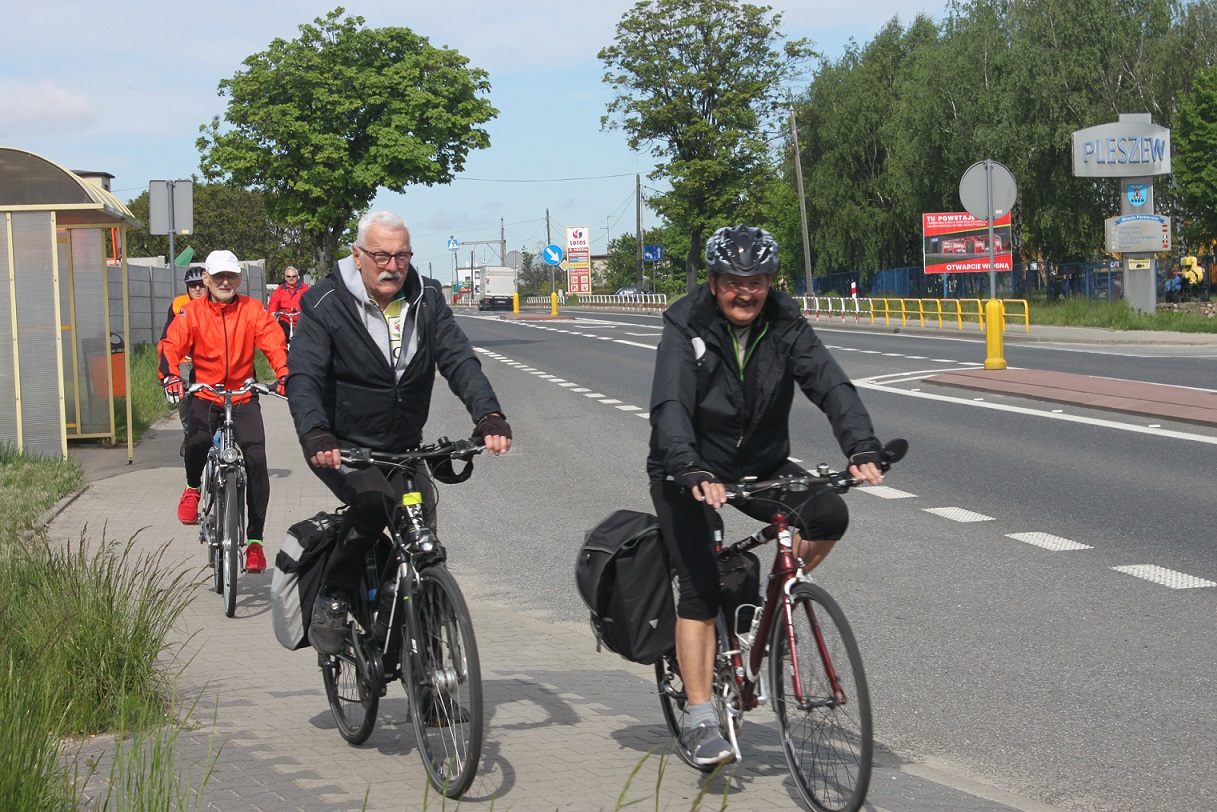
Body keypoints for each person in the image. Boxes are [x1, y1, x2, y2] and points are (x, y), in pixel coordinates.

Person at [647, 225, 885, 766]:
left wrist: (861, 445)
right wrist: (686, 465)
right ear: (713, 283)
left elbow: (829, 384)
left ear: (770, 282)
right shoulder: (685, 323)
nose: (745, 292)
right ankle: (702, 715)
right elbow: (671, 404)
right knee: (700, 589)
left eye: (756, 281)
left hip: (759, 464)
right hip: (687, 467)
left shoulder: (785, 321)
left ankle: (780, 600)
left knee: (826, 512)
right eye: (734, 282)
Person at [287, 211, 512, 655]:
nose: (392, 266)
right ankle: (333, 595)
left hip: (404, 446)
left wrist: (489, 414)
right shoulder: (323, 302)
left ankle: (430, 687)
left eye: (402, 255)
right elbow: (304, 377)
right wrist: (316, 432)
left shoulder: (427, 297)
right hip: (343, 445)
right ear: (358, 256)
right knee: (372, 503)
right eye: (381, 255)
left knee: (422, 543)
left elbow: (458, 358)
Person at [158, 249, 289, 574]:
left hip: (244, 396)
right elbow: (171, 344)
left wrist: (286, 374)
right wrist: (171, 376)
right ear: (207, 280)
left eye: (230, 276)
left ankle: (255, 542)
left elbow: (273, 341)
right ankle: (192, 488)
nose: (225, 282)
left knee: (257, 459)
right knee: (198, 440)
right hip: (206, 393)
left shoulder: (253, 310)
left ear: (239, 278)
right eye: (218, 277)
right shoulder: (192, 312)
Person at [161, 265, 210, 444]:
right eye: (192, 285)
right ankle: (188, 433)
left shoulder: (217, 303)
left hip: (208, 360)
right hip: (184, 360)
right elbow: (168, 338)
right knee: (184, 394)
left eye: (200, 285)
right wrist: (168, 374)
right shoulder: (177, 306)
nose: (197, 289)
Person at [267, 266, 309, 345]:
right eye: (288, 276)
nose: (291, 278)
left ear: (297, 277)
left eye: (293, 276)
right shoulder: (280, 290)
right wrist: (272, 312)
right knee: (280, 336)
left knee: (305, 338)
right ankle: (282, 354)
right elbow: (274, 302)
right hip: (285, 319)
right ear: (285, 277)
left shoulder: (304, 288)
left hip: (300, 319)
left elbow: (310, 300)